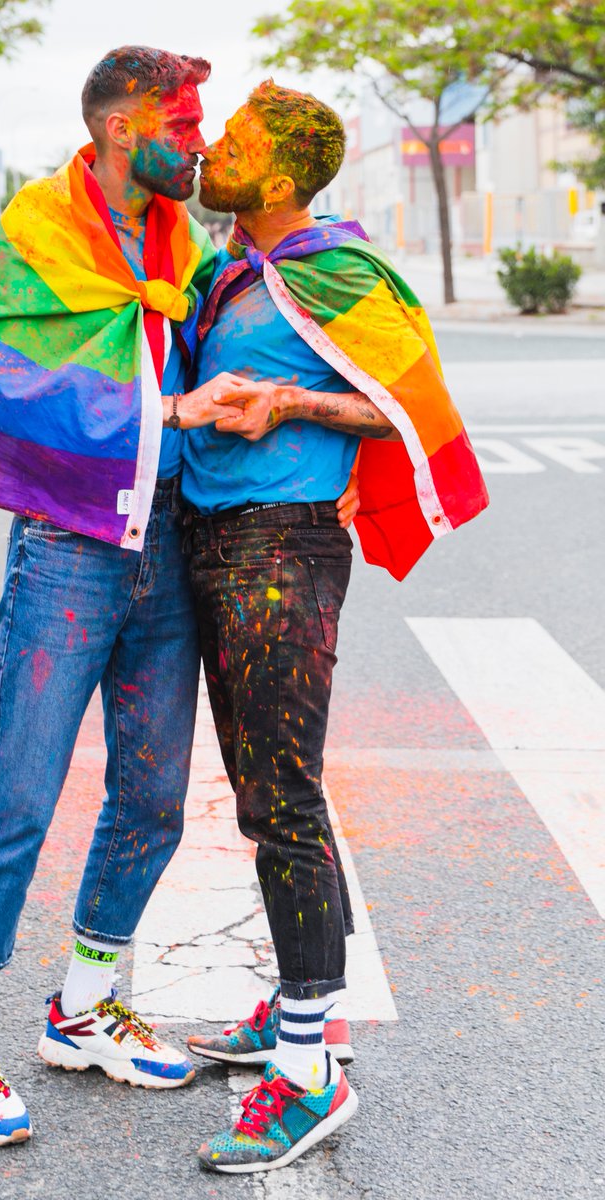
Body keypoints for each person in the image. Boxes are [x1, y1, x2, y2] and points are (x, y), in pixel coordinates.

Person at [0, 45, 260, 1147]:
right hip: (67, 547)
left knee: (155, 797)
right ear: (122, 127)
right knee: (18, 794)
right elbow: (13, 383)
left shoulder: (177, 235)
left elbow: (215, 327)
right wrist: (179, 408)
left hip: (165, 542)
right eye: (184, 124)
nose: (196, 142)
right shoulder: (38, 226)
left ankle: (82, 1004)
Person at [177, 81, 489, 1174]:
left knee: (283, 800)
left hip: (283, 549)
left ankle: (307, 1073)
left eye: (235, 141)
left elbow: (413, 404)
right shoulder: (223, 273)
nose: (213, 148)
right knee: (267, 791)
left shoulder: (335, 270)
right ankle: (297, 1011)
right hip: (213, 541)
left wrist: (292, 402)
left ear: (277, 175)